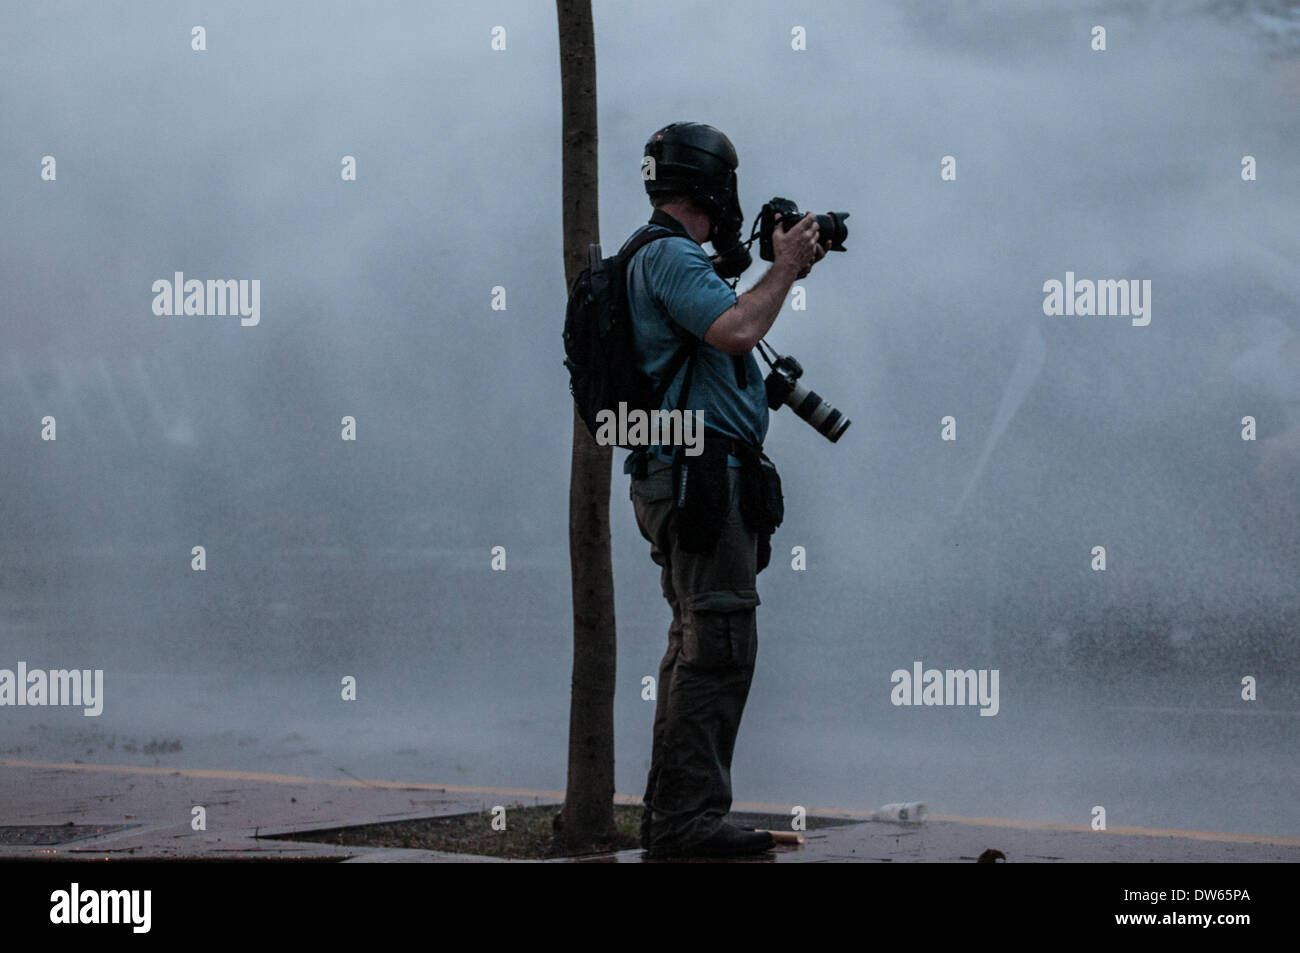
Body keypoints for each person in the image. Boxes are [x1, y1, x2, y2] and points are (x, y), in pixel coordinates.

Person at [625, 122, 829, 858]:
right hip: (700, 476)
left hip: (685, 473)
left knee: (696, 640)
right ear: (714, 184)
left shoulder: (662, 257)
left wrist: (776, 267)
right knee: (717, 642)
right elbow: (739, 329)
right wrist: (783, 268)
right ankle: (689, 823)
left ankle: (672, 817)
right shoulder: (671, 255)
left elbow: (720, 323)